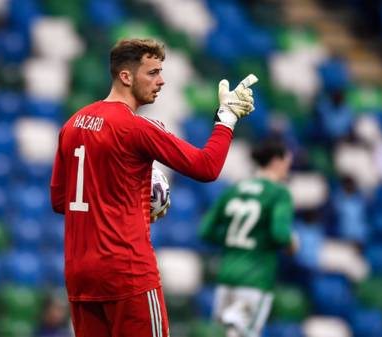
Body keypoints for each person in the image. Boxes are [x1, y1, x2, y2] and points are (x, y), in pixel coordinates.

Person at [49, 38, 258, 337]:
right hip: (127, 271)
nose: (161, 81)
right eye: (153, 72)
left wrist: (121, 193)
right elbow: (206, 167)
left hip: (81, 275)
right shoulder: (136, 128)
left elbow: (60, 201)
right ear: (126, 76)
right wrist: (226, 119)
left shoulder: (73, 124)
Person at [199, 135, 298, 337]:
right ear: (277, 161)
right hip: (255, 279)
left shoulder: (234, 190)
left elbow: (206, 231)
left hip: (226, 277)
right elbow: (280, 234)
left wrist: (232, 240)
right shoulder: (279, 193)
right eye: (287, 162)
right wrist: (292, 243)